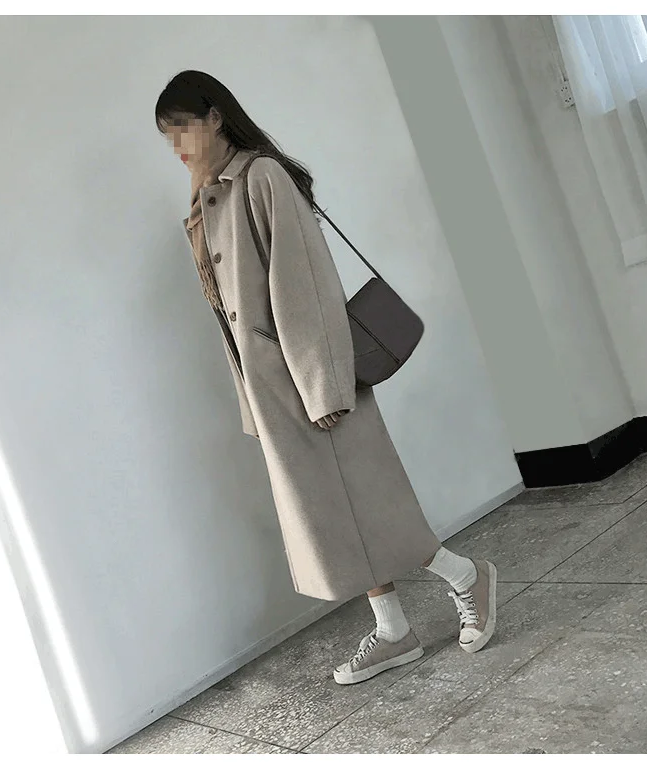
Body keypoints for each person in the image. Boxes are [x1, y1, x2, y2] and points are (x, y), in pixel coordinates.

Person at [155, 70, 498, 685]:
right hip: (274, 388)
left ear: (214, 117)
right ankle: (393, 630)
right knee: (335, 518)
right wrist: (253, 401)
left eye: (181, 129)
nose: (176, 146)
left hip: (310, 377)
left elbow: (305, 284)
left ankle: (467, 576)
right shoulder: (213, 195)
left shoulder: (261, 176)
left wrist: (324, 385)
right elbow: (228, 313)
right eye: (167, 137)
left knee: (369, 501)